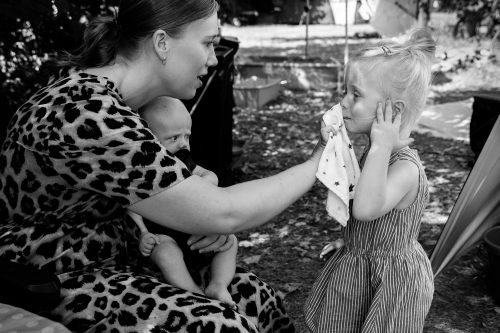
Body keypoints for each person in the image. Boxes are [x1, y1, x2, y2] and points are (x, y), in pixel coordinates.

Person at [0, 0, 330, 332]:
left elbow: (186, 197)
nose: (214, 59)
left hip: (121, 258)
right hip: (47, 277)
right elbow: (223, 211)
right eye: (208, 43)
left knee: (252, 296)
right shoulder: (84, 113)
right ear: (162, 44)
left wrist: (200, 221)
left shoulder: (119, 102)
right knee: (218, 324)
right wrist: (317, 163)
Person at [305, 29, 436, 332]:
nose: (344, 102)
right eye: (345, 92)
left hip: (392, 283)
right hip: (361, 265)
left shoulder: (405, 169)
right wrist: (354, 240)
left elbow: (366, 208)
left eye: (356, 95)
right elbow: (368, 218)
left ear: (394, 111)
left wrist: (379, 145)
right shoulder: (374, 153)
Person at [129, 96, 237, 308]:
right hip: (163, 235)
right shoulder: (142, 169)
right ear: (149, 138)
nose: (183, 143)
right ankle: (196, 294)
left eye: (186, 136)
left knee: (229, 241)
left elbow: (210, 175)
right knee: (166, 252)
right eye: (174, 137)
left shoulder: (183, 159)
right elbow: (132, 206)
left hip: (192, 232)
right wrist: (143, 233)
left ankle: (218, 284)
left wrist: (203, 182)